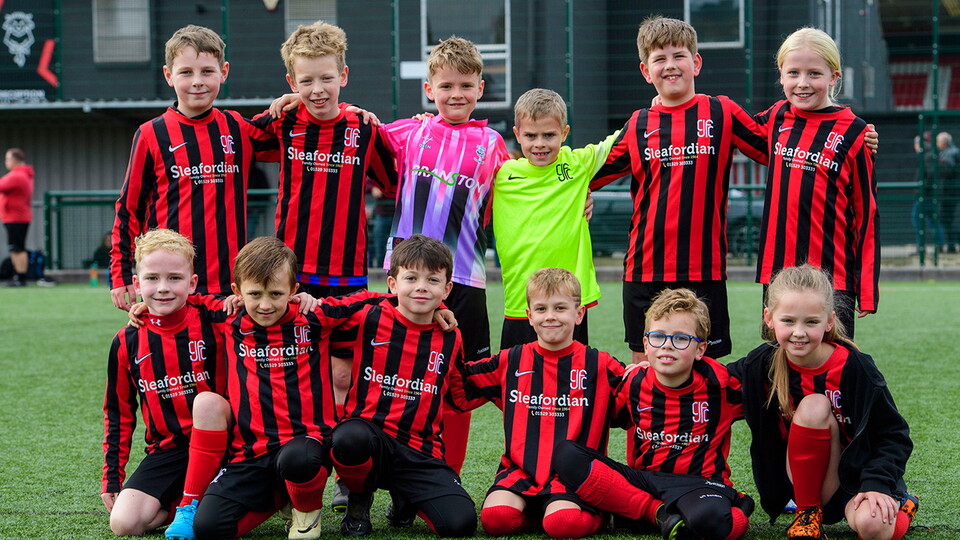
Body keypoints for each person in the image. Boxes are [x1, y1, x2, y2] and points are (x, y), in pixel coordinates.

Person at [250, 20, 399, 512]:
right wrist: (271, 108)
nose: (317, 89)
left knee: (340, 379)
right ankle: (292, 472)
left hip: (347, 276)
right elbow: (239, 143)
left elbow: (396, 181)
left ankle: (347, 473)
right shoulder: (285, 122)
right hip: (289, 278)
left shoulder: (363, 127)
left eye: (326, 78)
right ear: (291, 83)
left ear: (344, 76)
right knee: (292, 375)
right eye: (305, 80)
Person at [158, 236, 383, 540]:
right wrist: (145, 309)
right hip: (250, 452)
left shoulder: (313, 316)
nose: (265, 305)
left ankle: (307, 510)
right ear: (237, 292)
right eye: (255, 294)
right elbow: (183, 298)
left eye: (276, 294)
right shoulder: (230, 315)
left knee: (299, 457)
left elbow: (373, 298)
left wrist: (429, 309)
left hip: (306, 445)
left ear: (294, 291)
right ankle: (281, 497)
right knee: (210, 528)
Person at [589, 16, 769, 364]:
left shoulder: (721, 113)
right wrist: (579, 191)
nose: (670, 66)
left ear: (696, 62)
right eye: (659, 59)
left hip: (705, 270)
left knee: (707, 374)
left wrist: (846, 129)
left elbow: (776, 146)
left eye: (679, 56)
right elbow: (587, 173)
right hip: (645, 270)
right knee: (644, 372)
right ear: (646, 70)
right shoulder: (637, 124)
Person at [381, 36, 510, 476]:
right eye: (447, 86)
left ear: (480, 87)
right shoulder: (405, 132)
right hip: (406, 280)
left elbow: (525, 186)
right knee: (391, 378)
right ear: (429, 90)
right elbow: (350, 131)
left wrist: (580, 197)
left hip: (465, 280)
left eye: (466, 86)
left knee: (460, 383)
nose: (456, 95)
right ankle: (379, 477)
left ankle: (448, 477)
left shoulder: (493, 144)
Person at [727, 264, 917, 540]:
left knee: (873, 526)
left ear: (829, 321)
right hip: (802, 479)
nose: (799, 332)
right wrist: (648, 373)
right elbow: (713, 383)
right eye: (788, 321)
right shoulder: (761, 364)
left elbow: (893, 435)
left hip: (857, 477)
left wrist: (877, 484)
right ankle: (806, 513)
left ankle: (904, 505)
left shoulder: (855, 368)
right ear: (768, 318)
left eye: (811, 322)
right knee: (813, 406)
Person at [553, 288, 753, 540]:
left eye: (681, 339)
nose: (667, 346)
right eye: (658, 336)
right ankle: (658, 514)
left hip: (698, 483)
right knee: (567, 454)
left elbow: (763, 390)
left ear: (701, 349)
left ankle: (736, 503)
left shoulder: (721, 383)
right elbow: (602, 411)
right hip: (645, 481)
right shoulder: (632, 382)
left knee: (711, 522)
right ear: (646, 345)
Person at [109, 25, 279, 310]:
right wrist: (121, 272)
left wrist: (309, 103)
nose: (197, 81)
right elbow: (129, 210)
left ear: (224, 72)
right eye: (186, 72)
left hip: (232, 288)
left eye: (207, 72)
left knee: (228, 356)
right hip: (172, 286)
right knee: (172, 354)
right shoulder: (151, 134)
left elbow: (296, 137)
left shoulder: (237, 128)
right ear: (168, 75)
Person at [447, 268, 625, 538]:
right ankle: (541, 511)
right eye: (541, 308)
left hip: (574, 477)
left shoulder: (600, 365)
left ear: (579, 314)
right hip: (521, 471)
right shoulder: (510, 361)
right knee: (496, 520)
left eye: (560, 308)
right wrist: (435, 326)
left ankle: (596, 512)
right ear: (529, 316)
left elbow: (638, 398)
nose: (550, 316)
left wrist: (647, 372)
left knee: (563, 524)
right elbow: (458, 384)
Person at [330, 234, 476, 537]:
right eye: (411, 277)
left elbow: (461, 394)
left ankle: (405, 498)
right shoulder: (367, 318)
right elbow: (317, 325)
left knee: (459, 524)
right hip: (371, 438)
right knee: (347, 439)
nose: (422, 286)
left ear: (447, 289)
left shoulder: (451, 336)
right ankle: (359, 498)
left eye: (433, 280)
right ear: (392, 283)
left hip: (420, 450)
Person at [101, 229, 227, 536]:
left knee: (206, 402)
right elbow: (118, 413)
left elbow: (258, 306)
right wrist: (112, 479)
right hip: (168, 450)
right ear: (137, 284)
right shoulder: (126, 341)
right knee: (123, 524)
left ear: (192, 282)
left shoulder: (215, 321)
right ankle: (181, 504)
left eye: (174, 278)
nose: (162, 288)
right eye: (152, 279)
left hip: (226, 443)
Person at [754, 28, 879, 338]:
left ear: (834, 77)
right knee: (780, 363)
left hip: (833, 278)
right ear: (780, 75)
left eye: (814, 73)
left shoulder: (856, 133)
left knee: (833, 364)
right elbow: (728, 128)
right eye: (793, 73)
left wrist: (866, 286)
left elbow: (867, 215)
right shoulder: (776, 118)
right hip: (779, 274)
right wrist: (665, 101)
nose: (803, 83)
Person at [493, 89, 617, 350]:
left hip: (570, 301)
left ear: (564, 133)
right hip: (520, 299)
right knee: (518, 381)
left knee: (571, 378)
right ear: (517, 135)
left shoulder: (577, 164)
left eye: (549, 135)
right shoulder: (502, 172)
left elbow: (619, 139)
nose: (540, 144)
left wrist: (657, 105)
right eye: (530, 135)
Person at [0, 148, 34, 287]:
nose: (5, 162)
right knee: (16, 248)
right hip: (15, 217)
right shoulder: (22, 174)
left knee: (17, 248)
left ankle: (20, 277)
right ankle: (19, 276)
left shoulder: (17, 176)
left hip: (16, 217)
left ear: (15, 160)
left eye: (7, 159)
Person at [937, 131, 960, 253]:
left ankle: (952, 245)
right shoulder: (953, 152)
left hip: (950, 191)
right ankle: (952, 244)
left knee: (946, 218)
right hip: (952, 190)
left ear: (944, 143)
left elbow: (948, 171)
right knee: (947, 218)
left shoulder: (948, 154)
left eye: (938, 141)